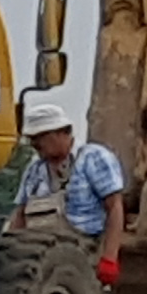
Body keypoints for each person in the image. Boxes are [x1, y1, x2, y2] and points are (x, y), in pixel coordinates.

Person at [13, 93, 125, 274]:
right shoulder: (34, 170)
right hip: (36, 255)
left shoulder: (93, 158)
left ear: (61, 132)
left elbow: (115, 207)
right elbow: (19, 215)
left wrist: (110, 258)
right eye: (31, 138)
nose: (34, 144)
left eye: (39, 137)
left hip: (82, 255)